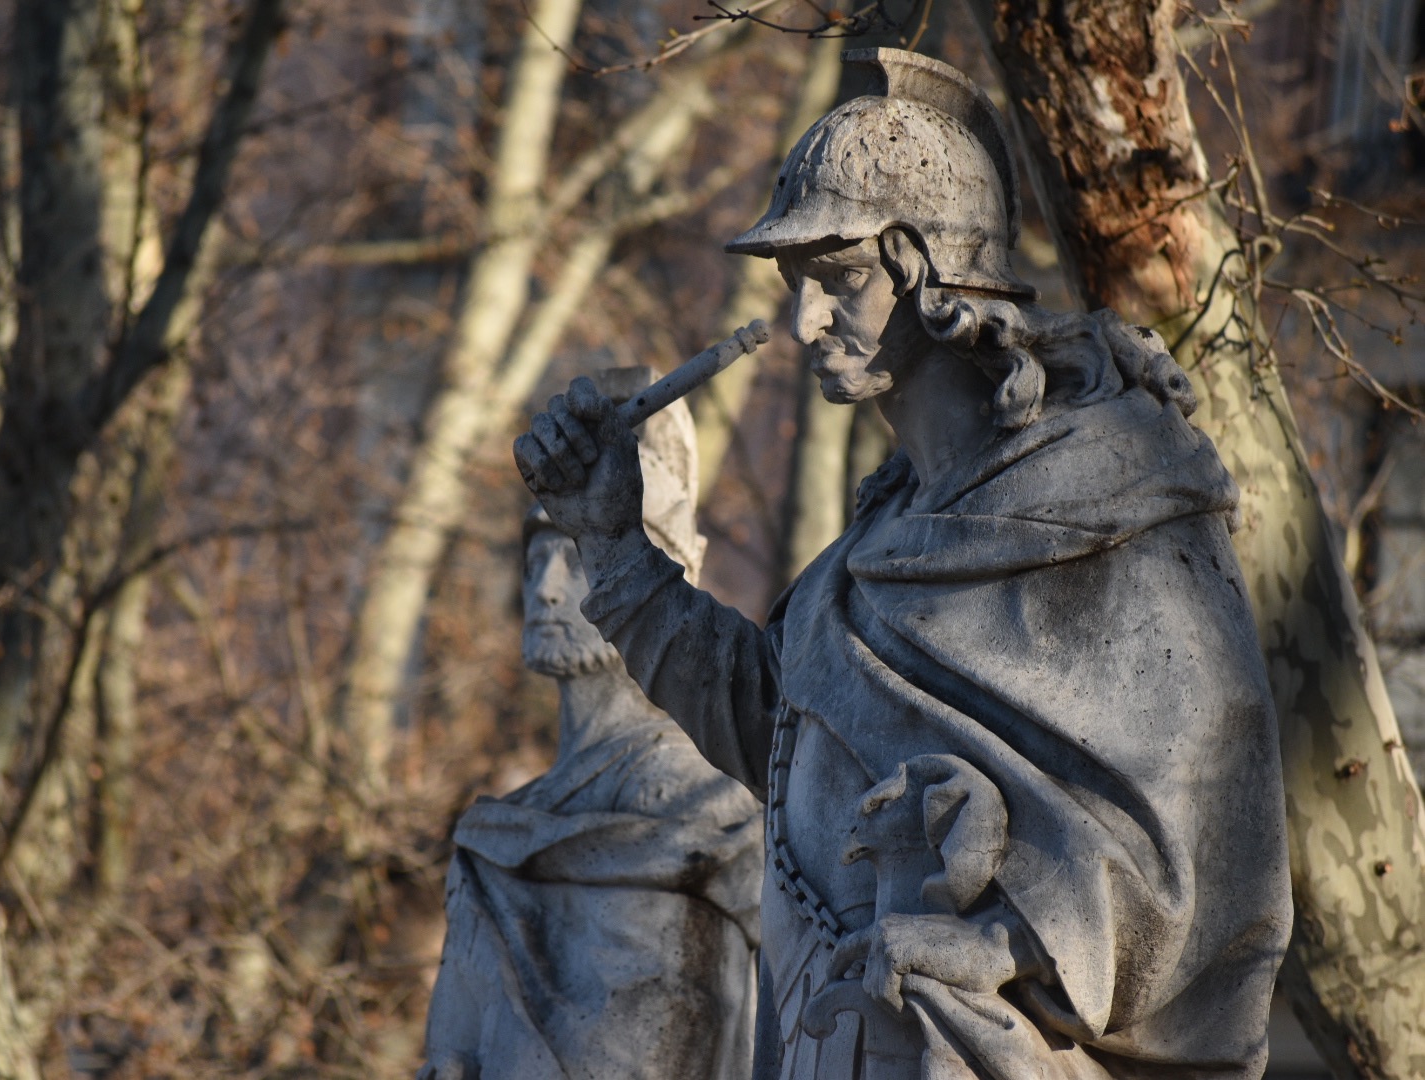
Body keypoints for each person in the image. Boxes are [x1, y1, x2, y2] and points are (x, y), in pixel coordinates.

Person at [514, 49, 1291, 1080]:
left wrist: (1003, 945)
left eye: (837, 280)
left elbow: (1206, 822)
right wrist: (615, 541)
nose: (804, 322)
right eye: (794, 285)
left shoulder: (1119, 503)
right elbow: (776, 730)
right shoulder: (865, 556)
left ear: (928, 274)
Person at [421, 373, 763, 1080]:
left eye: (574, 561)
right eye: (534, 562)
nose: (545, 590)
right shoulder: (497, 834)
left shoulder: (716, 806)